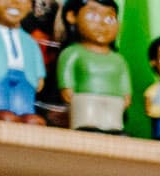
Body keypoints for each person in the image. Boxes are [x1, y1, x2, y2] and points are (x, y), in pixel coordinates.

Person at [52, 0, 129, 134]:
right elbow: (66, 72)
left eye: (110, 19)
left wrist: (126, 95)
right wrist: (66, 87)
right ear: (72, 16)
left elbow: (124, 78)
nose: (102, 24)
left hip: (114, 99)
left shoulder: (118, 58)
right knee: (87, 121)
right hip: (85, 96)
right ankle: (87, 126)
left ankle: (114, 129)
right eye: (93, 16)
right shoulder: (73, 52)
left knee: (113, 123)